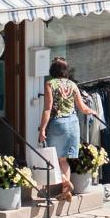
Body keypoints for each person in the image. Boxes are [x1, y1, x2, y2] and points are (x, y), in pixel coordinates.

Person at [38, 57, 96, 200]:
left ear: (53, 70)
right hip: (73, 123)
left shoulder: (50, 84)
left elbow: (47, 108)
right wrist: (92, 111)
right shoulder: (73, 85)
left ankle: (65, 181)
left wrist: (42, 129)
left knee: (53, 158)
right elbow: (82, 107)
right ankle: (66, 192)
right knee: (64, 160)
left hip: (58, 123)